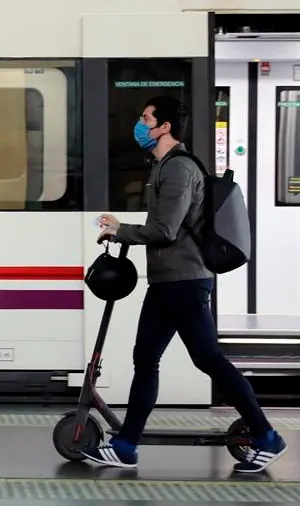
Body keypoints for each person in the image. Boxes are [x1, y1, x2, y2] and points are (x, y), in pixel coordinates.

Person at [86, 96, 286, 473]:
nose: (140, 124)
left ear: (164, 127)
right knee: (145, 359)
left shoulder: (178, 169)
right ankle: (126, 445)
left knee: (207, 358)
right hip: (167, 282)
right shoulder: (163, 166)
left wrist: (121, 231)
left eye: (146, 118)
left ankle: (267, 437)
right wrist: (122, 230)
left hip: (185, 281)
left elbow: (165, 230)